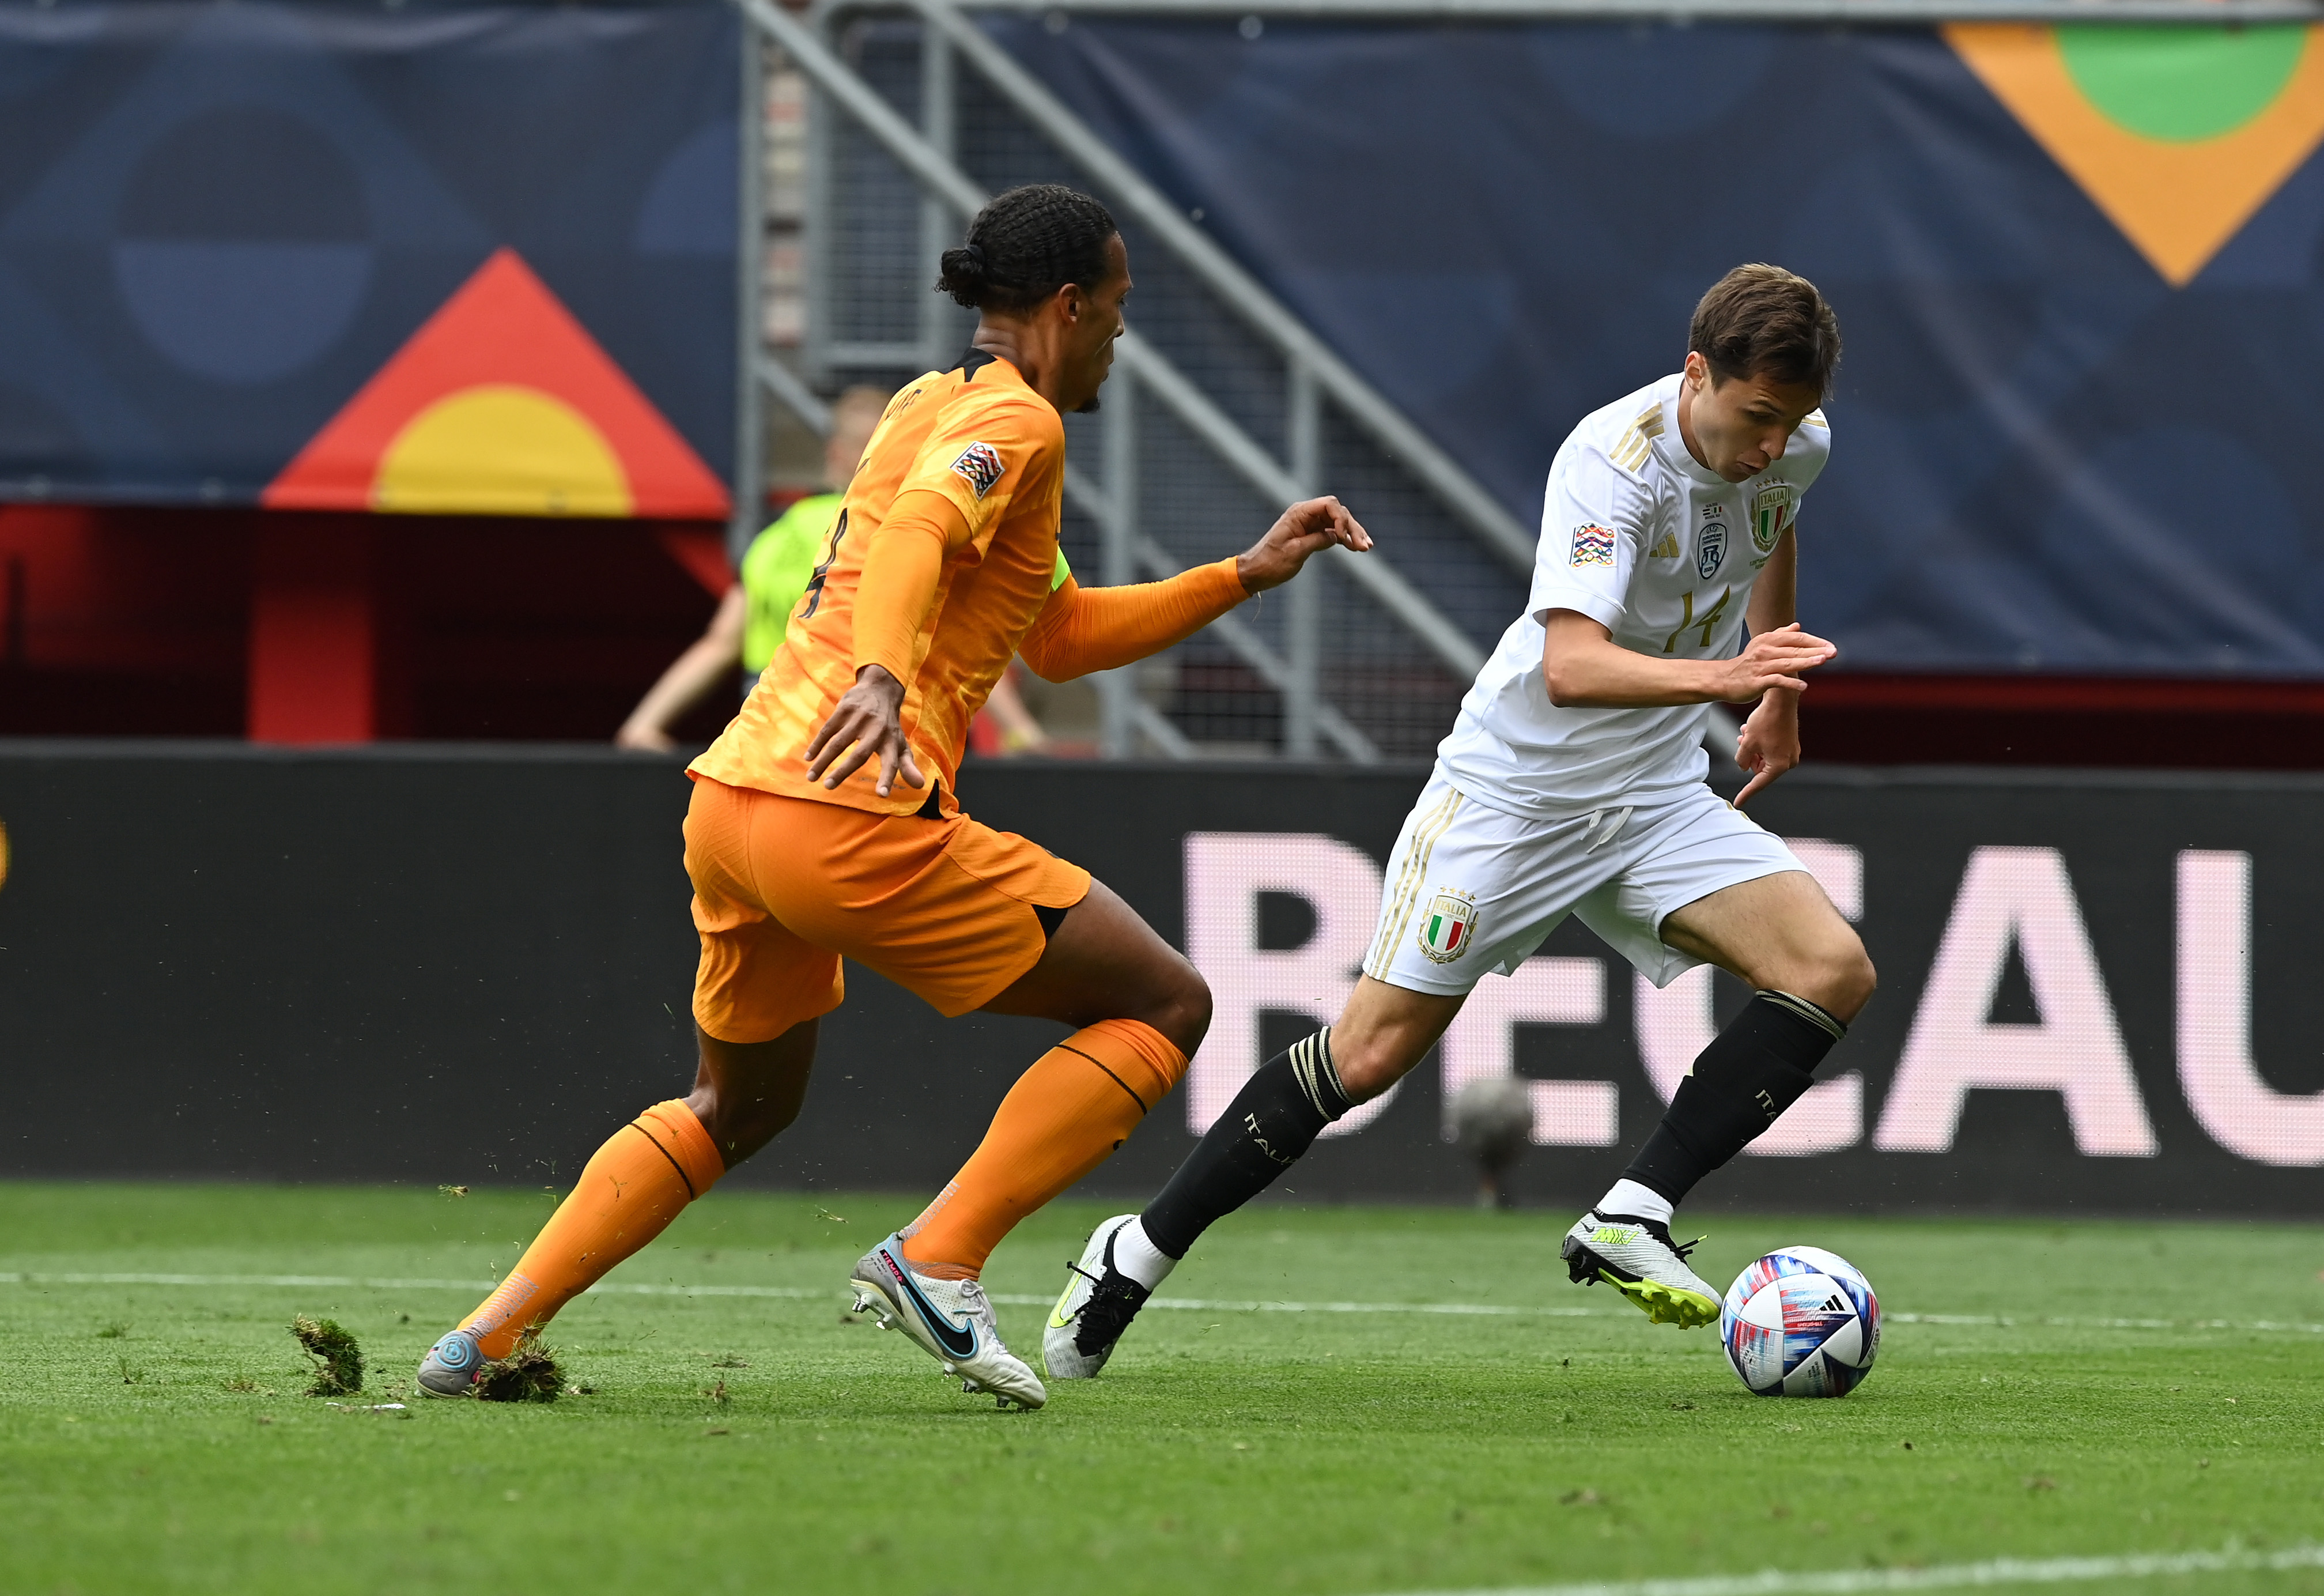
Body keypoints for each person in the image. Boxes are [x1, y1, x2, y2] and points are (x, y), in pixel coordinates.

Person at [413, 183, 1371, 1409]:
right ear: (1068, 306)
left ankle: (488, 1333)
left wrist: (1244, 571)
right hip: (853, 808)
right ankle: (940, 1254)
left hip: (736, 798)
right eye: (1119, 312)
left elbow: (1062, 637)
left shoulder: (926, 404)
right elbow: (920, 533)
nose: (1121, 339)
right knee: (1165, 1000)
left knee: (736, 1101)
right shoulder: (1022, 426)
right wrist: (880, 676)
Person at [1045, 263, 1876, 1380]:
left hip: (1652, 791)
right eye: (1754, 418)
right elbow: (1573, 667)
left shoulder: (1798, 443)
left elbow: (1772, 521)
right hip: (1514, 797)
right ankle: (1134, 1249)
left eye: (1790, 422)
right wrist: (1731, 674)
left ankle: (1631, 1212)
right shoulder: (1607, 465)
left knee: (1831, 966)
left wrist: (1773, 692)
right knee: (1368, 1055)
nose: (1773, 445)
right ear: (1695, 376)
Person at [615, 388, 1049, 757]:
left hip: (767, 741)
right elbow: (945, 634)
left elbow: (720, 642)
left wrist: (644, 723)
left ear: (835, 453)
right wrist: (1020, 728)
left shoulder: (773, 538)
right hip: (863, 742)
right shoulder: (895, 532)